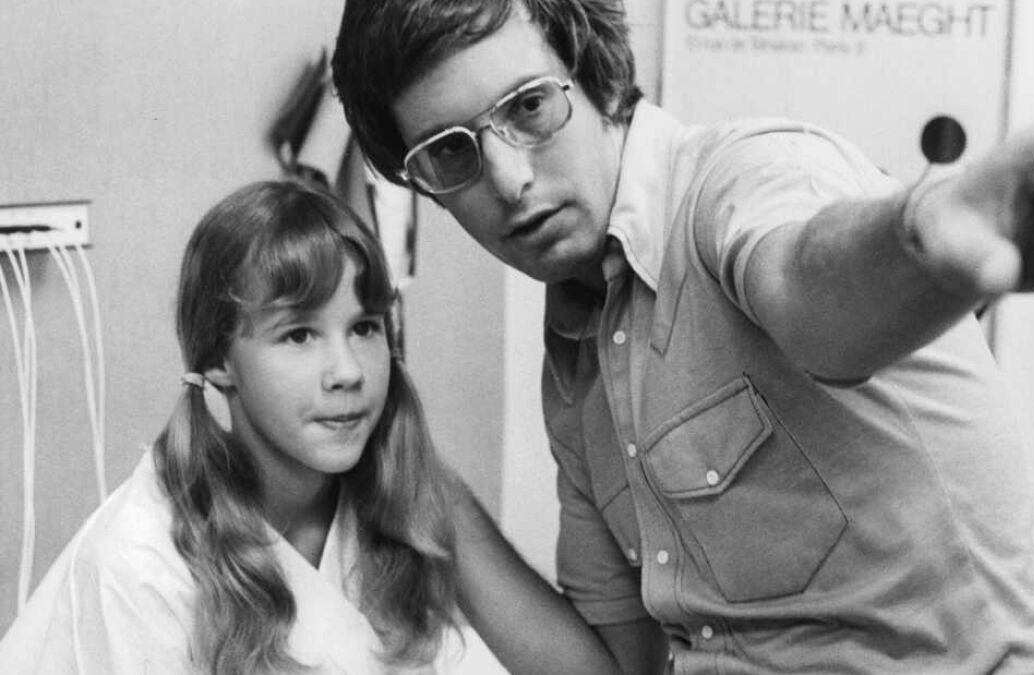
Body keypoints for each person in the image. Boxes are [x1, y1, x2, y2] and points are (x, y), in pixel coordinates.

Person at [330, 1, 1034, 673]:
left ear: (593, 75)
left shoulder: (743, 180)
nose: (510, 178)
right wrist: (419, 477)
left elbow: (812, 290)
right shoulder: (576, 361)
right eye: (450, 154)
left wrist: (923, 232)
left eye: (528, 106)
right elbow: (618, 667)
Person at [0, 180, 619, 674]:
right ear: (218, 360)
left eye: (365, 327)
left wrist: (436, 493)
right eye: (299, 335)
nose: (347, 371)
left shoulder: (395, 500)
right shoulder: (139, 563)